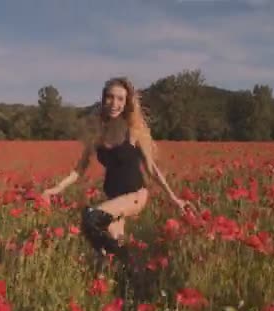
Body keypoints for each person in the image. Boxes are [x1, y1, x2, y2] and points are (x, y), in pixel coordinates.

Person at [42, 76, 194, 262]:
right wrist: (56, 189)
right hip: (113, 198)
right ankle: (128, 274)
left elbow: (151, 169)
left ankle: (129, 264)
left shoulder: (134, 130)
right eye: (110, 97)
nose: (115, 103)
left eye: (120, 99)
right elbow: (79, 170)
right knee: (112, 248)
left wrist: (174, 198)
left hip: (134, 195)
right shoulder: (98, 132)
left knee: (91, 218)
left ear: (127, 102)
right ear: (104, 99)